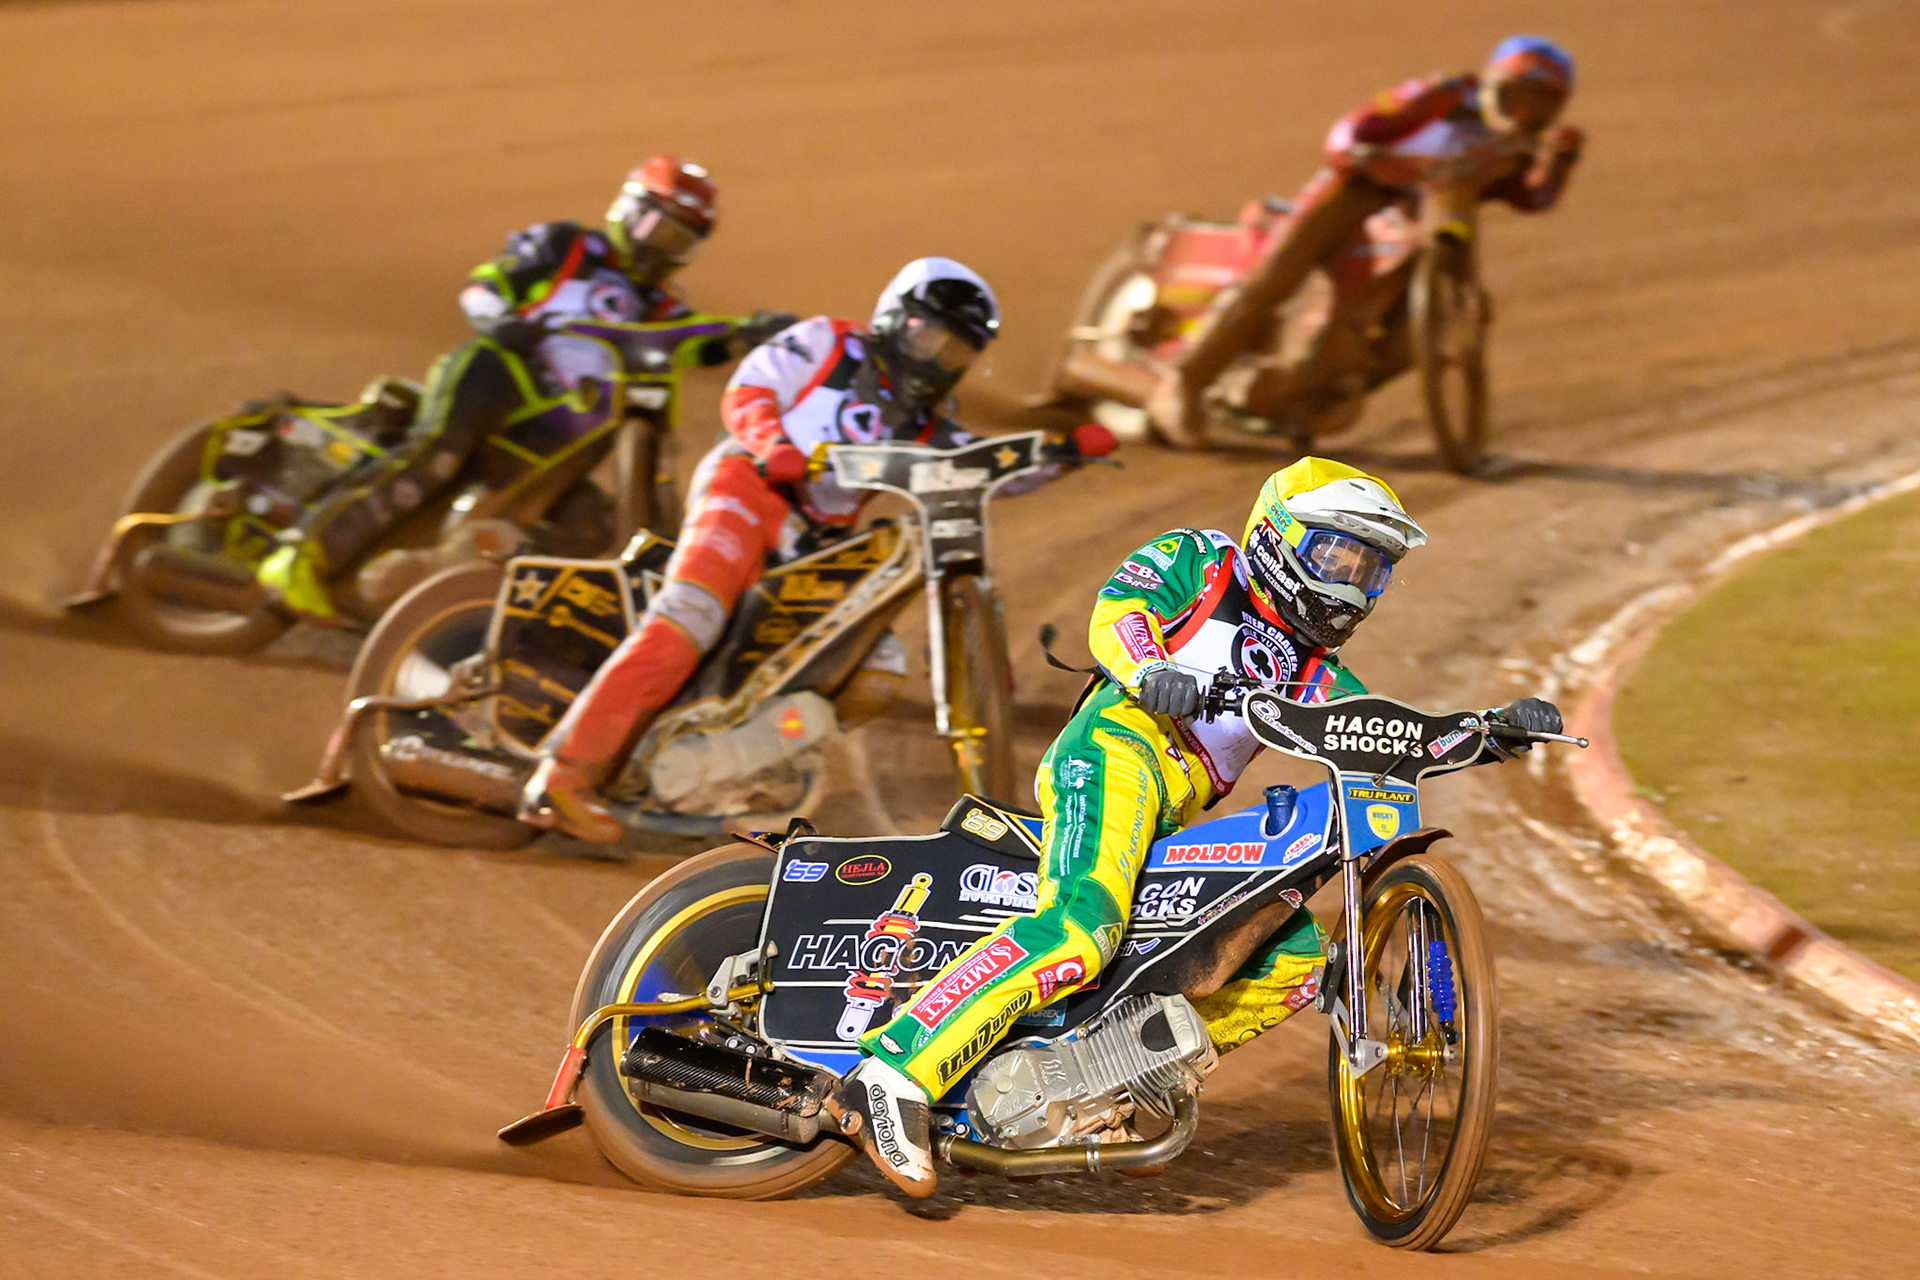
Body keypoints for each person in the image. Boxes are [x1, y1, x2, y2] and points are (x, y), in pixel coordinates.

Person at [826, 457, 1563, 1195]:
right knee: (1081, 929)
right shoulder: (1204, 563)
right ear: (1277, 538)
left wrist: (1490, 730)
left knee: (1300, 960)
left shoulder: (1317, 672)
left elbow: (1381, 732)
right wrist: (1151, 670)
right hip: (1114, 751)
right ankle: (892, 1073)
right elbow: (1118, 612)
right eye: (1334, 555)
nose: (1347, 582)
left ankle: (1099, 1077)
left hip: (1170, 813)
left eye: (1368, 568)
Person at [519, 257, 1115, 841]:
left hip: (817, 540)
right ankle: (564, 773)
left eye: (955, 351)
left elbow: (977, 470)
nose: (936, 360)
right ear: (896, 317)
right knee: (691, 616)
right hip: (749, 489)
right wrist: (773, 442)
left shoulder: (929, 425)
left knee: (875, 672)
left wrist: (1059, 455)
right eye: (931, 336)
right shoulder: (827, 344)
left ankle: (717, 766)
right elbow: (750, 390)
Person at [257, 156, 781, 617]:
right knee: (436, 459)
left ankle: (451, 595)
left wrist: (749, 334)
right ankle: (299, 556)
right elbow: (486, 283)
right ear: (629, 210)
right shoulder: (568, 247)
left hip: (552, 435)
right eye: (658, 229)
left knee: (587, 525)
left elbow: (689, 341)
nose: (661, 248)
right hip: (499, 373)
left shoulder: (659, 309)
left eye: (679, 241)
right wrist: (501, 318)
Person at [1145, 36, 1585, 446]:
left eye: (1540, 106)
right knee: (1277, 276)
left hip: (1425, 218)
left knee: (1459, 311)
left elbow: (1529, 197)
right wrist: (1377, 161)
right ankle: (1183, 381)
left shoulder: (1511, 150)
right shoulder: (1443, 94)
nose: (1524, 113)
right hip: (1357, 187)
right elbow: (1353, 131)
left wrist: (1558, 164)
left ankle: (1324, 383)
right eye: (1518, 95)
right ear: (1493, 84)